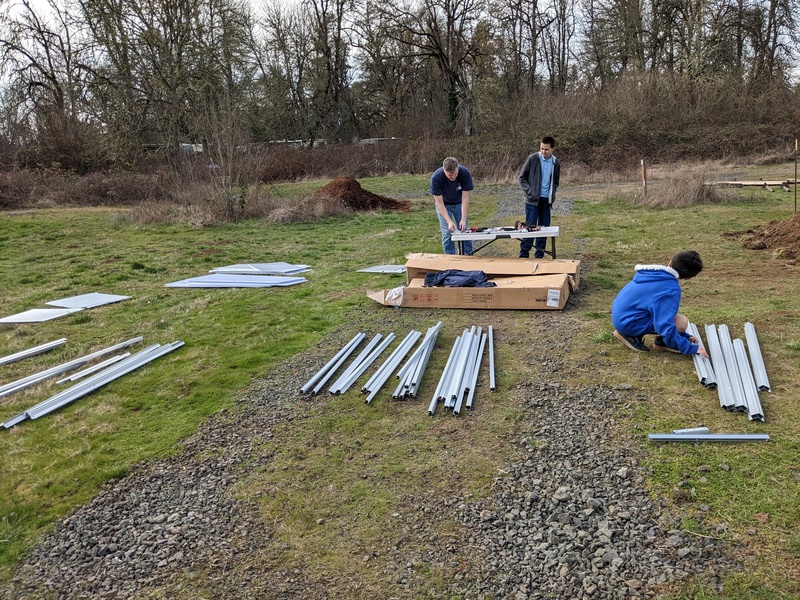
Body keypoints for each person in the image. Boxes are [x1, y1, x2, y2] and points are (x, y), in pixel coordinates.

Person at [611, 250, 710, 356]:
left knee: (677, 321)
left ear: (670, 263)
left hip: (621, 316)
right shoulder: (670, 289)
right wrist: (688, 347)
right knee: (681, 323)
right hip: (628, 323)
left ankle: (632, 332)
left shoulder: (652, 274)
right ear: (688, 278)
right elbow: (664, 324)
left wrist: (684, 336)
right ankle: (631, 335)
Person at [518, 136, 560, 259]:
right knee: (529, 229)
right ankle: (523, 255)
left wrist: (552, 193)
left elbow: (556, 181)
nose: (543, 151)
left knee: (544, 229)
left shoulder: (555, 163)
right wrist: (530, 191)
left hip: (546, 201)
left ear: (552, 149)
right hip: (532, 201)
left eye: (546, 149)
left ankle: (539, 255)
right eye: (541, 148)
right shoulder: (532, 159)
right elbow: (522, 178)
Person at [431, 157, 474, 255]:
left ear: (457, 168)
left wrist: (463, 219)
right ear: (444, 171)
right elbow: (439, 203)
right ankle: (450, 258)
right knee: (447, 233)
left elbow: (465, 198)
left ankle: (468, 255)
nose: (453, 177)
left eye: (455, 174)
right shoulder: (436, 178)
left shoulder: (464, 173)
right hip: (444, 204)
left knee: (464, 230)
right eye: (450, 175)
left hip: (459, 203)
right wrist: (449, 221)